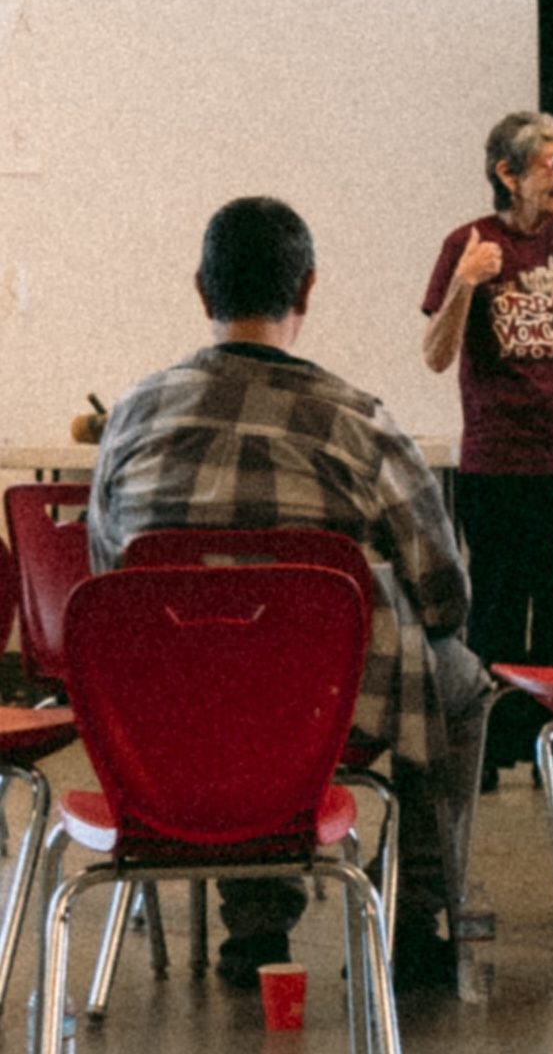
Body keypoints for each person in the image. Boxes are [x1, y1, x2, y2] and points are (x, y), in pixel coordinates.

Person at [88, 197, 488, 989]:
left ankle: (257, 926)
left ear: (202, 293)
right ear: (306, 290)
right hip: (333, 706)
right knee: (461, 684)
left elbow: (108, 581)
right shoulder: (358, 423)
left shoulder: (131, 417)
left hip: (173, 707)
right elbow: (445, 598)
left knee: (228, 682)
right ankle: (412, 917)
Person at [420, 112, 553, 781]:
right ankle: (487, 758)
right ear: (507, 174)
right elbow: (435, 356)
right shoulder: (469, 243)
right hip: (498, 464)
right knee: (499, 614)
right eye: (550, 161)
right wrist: (464, 283)